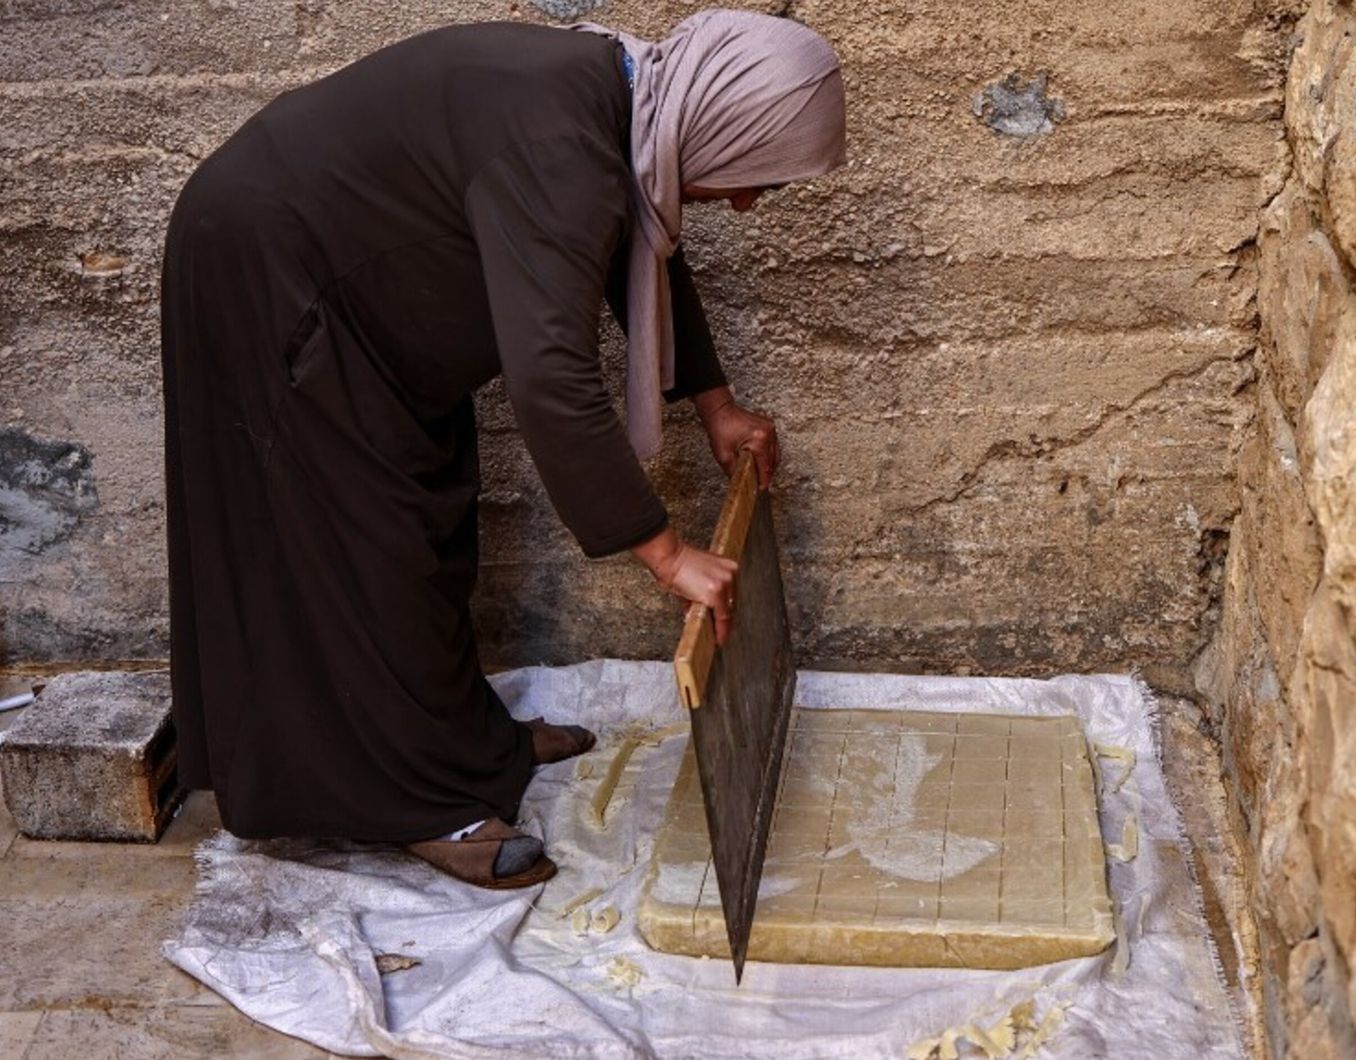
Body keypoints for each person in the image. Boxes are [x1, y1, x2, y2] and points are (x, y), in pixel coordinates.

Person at [159, 9, 847, 888]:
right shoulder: (565, 147)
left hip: (359, 297)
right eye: (762, 179)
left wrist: (716, 405)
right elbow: (553, 381)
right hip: (271, 273)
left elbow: (642, 248)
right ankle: (421, 801)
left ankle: (465, 745)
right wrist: (667, 555)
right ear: (721, 120)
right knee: (366, 547)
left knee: (428, 522)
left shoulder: (626, 107)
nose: (749, 205)